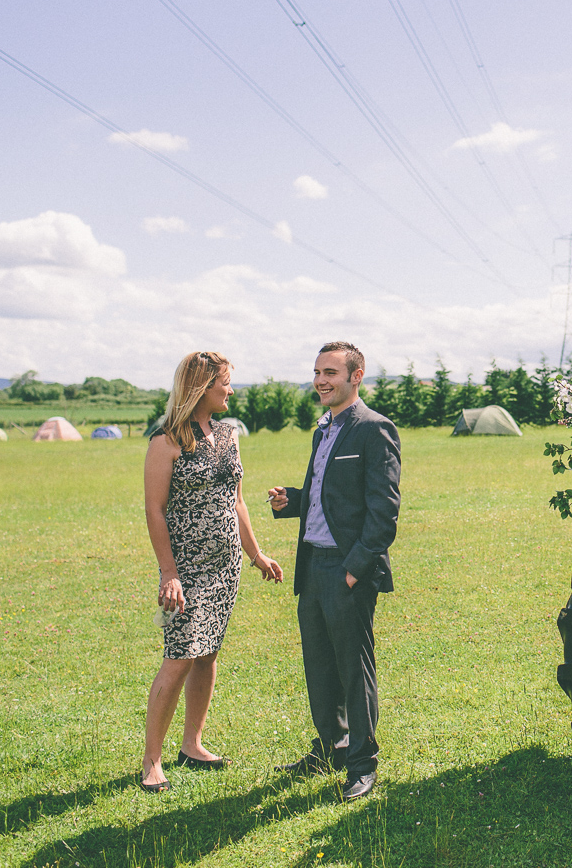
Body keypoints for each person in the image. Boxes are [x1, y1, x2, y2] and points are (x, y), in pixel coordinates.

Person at [141, 351, 283, 793]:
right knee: (180, 657)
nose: (231, 390)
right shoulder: (165, 441)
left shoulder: (229, 434)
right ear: (202, 387)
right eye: (225, 382)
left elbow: (236, 501)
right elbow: (155, 510)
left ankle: (193, 744)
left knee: (207, 653)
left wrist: (255, 554)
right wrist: (170, 573)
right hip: (186, 571)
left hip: (226, 567)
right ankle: (151, 762)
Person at [267, 340, 400, 801]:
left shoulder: (374, 429)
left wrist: (354, 570)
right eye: (318, 372)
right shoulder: (322, 429)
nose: (321, 380)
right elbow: (332, 495)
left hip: (347, 570)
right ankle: (331, 747)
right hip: (312, 567)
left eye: (331, 372)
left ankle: (362, 763)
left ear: (355, 377)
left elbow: (383, 512)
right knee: (320, 667)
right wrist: (294, 500)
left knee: (353, 669)